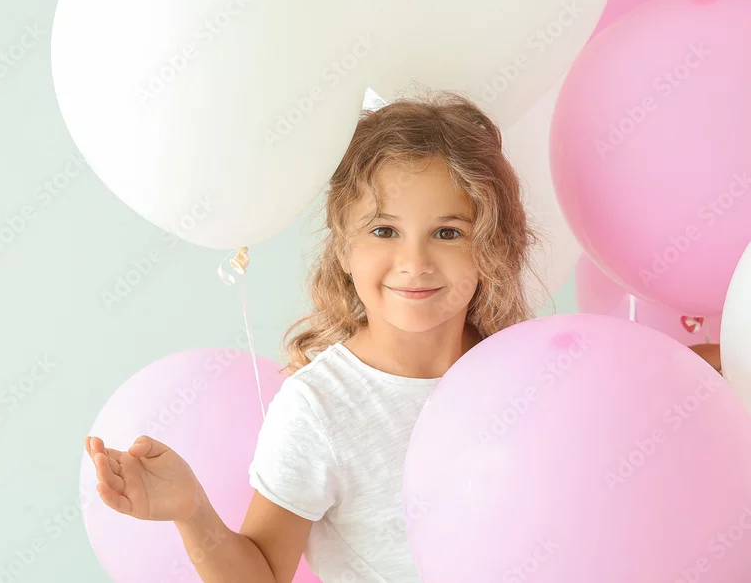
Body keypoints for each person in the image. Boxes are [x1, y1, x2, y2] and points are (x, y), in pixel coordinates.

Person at [85, 91, 723, 582]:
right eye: (384, 231)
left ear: (489, 248)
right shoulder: (320, 407)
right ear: (344, 247)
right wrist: (192, 511)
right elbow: (263, 573)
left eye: (448, 233)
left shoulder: (527, 373)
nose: (415, 263)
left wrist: (705, 374)